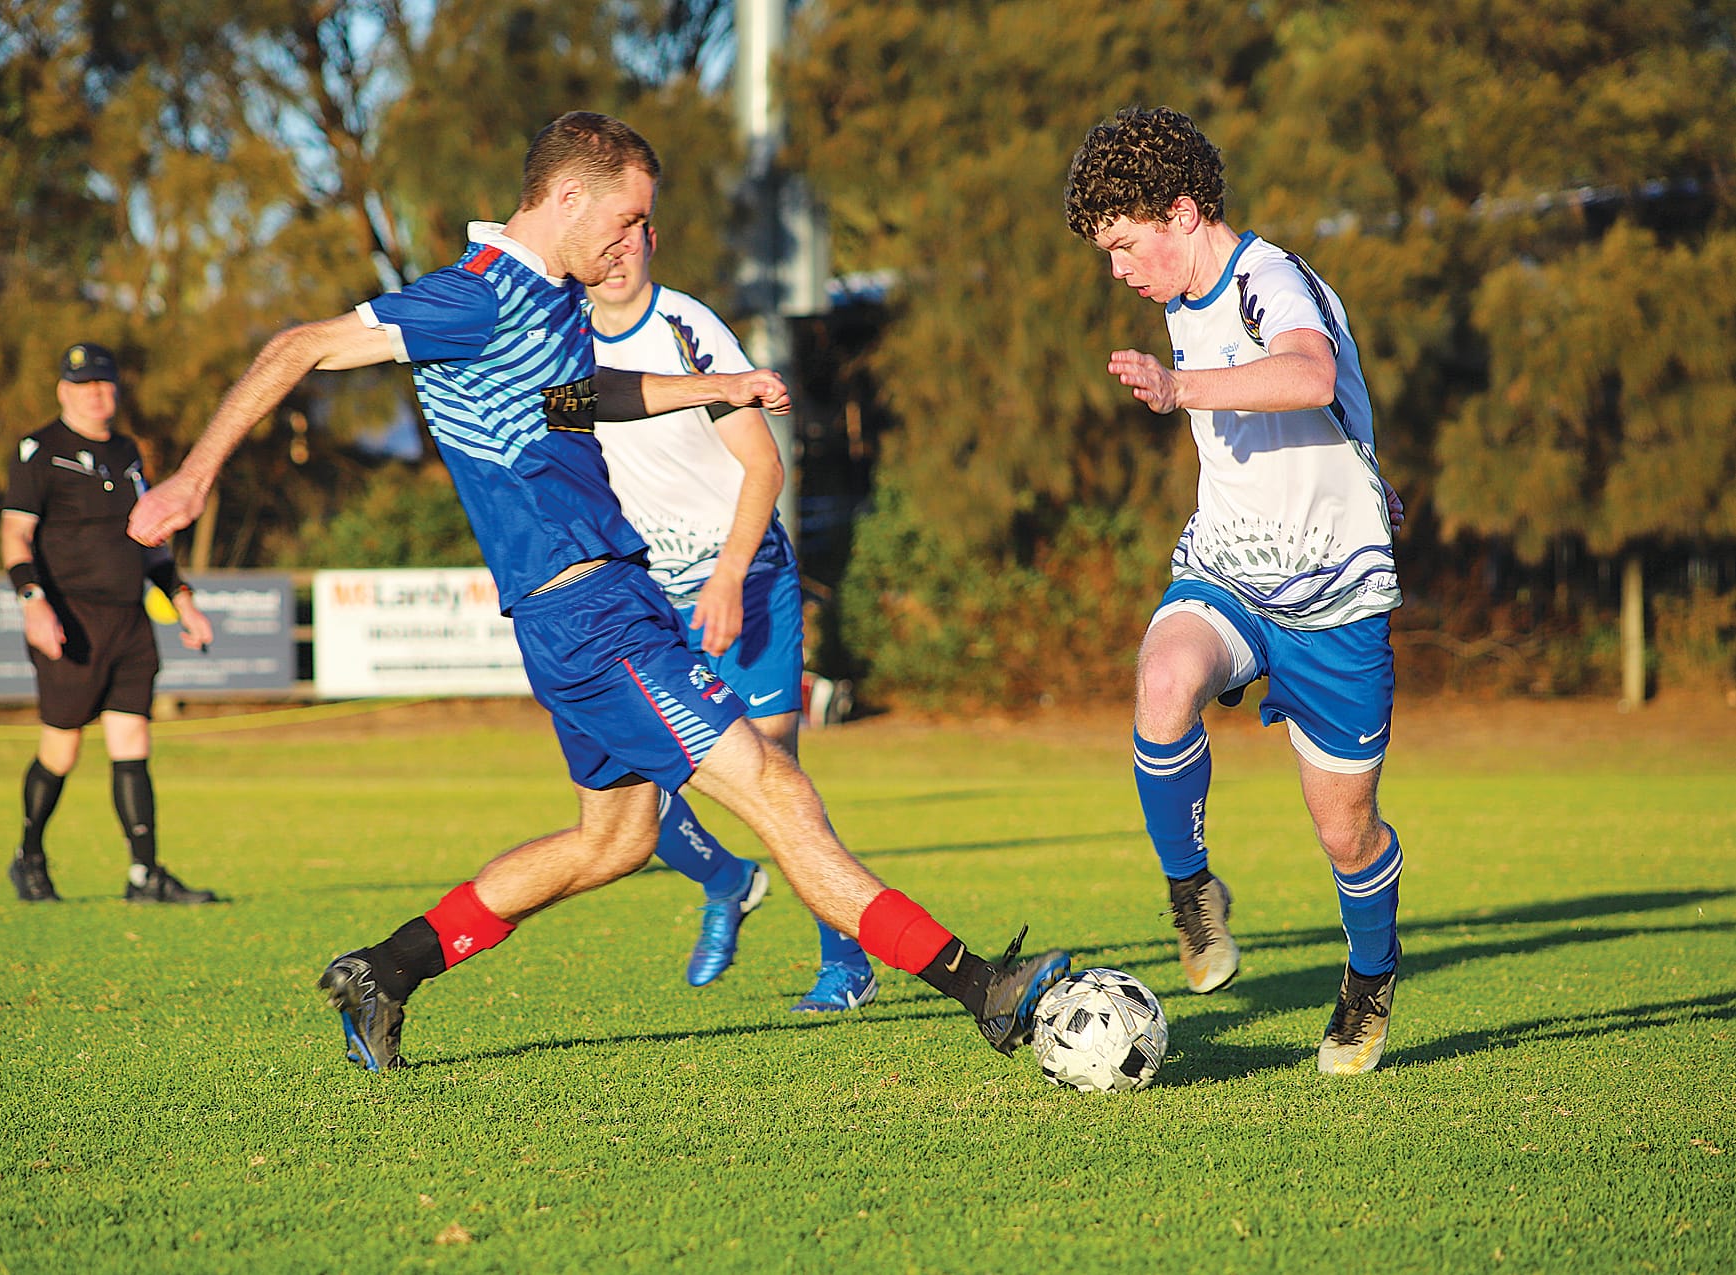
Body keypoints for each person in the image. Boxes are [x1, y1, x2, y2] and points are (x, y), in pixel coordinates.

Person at [128, 111, 1067, 1070]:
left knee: (612, 840)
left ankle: (388, 968)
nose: (633, 243)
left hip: (598, 606)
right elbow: (298, 346)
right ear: (567, 197)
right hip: (592, 616)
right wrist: (195, 476)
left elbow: (577, 400)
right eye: (624, 219)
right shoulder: (474, 298)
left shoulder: (555, 300)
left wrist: (719, 389)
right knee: (776, 789)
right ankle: (980, 987)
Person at [1063, 106, 1407, 1075]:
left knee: (1343, 834)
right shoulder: (1180, 297)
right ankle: (1193, 896)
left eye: (1126, 245)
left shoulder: (1267, 276)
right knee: (1163, 684)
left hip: (1333, 595)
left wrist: (1179, 391)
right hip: (1226, 568)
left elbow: (1305, 374)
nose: (1119, 269)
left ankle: (1368, 977)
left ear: (1180, 212)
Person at [588, 221, 877, 1011]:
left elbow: (764, 464)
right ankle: (726, 879)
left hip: (745, 580)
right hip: (649, 598)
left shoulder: (688, 328)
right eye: (601, 240)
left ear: (652, 237)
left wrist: (725, 578)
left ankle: (845, 957)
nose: (616, 256)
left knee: (773, 776)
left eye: (630, 235)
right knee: (640, 782)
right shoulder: (561, 340)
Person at [2, 341, 219, 905]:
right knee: (63, 749)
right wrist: (33, 600)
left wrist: (184, 602)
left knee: (132, 740)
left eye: (104, 383)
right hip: (70, 619)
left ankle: (144, 876)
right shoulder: (39, 450)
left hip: (129, 620)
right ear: (62, 391)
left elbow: (152, 543)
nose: (97, 394)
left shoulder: (127, 452)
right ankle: (29, 858)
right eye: (83, 385)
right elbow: (15, 536)